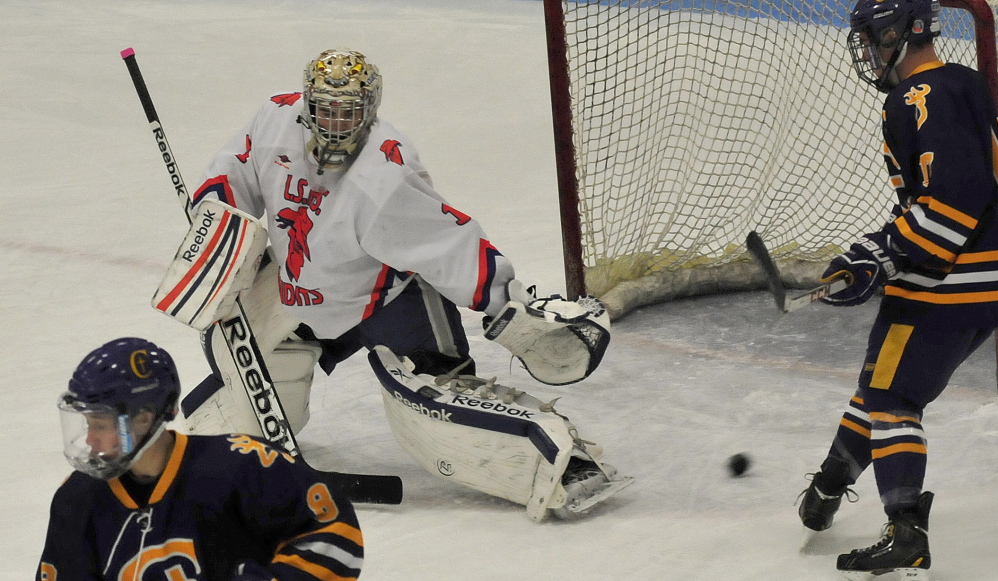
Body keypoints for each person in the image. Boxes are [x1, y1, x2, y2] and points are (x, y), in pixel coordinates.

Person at [167, 48, 625, 521]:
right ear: (307, 105)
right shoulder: (274, 121)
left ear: (371, 109)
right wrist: (217, 229)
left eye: (349, 113)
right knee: (234, 362)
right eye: (326, 110)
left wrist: (505, 304)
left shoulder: (385, 174)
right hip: (299, 298)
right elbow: (230, 172)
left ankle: (561, 458)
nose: (336, 124)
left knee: (435, 406)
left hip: (389, 301)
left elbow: (448, 244)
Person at [796, 0, 998, 578]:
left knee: (893, 403)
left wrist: (880, 257)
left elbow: (957, 199)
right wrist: (874, 254)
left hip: (951, 276)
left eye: (871, 38)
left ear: (899, 32)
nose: (866, 52)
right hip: (982, 275)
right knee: (883, 383)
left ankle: (906, 531)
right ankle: (832, 480)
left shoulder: (920, 96)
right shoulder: (964, 82)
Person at [37, 337, 364, 580]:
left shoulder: (243, 468)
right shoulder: (78, 500)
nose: (90, 440)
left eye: (101, 425)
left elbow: (335, 532)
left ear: (144, 418)